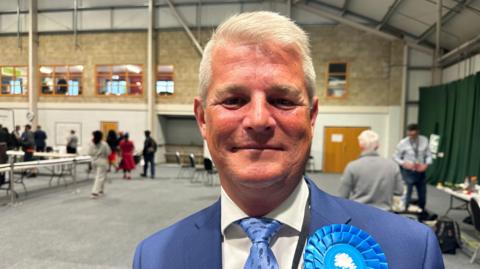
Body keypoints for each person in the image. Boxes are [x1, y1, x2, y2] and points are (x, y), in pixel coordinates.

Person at [133, 12, 443, 269]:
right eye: (234, 100)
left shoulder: (411, 252)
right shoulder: (154, 258)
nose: (258, 120)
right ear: (202, 118)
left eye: (282, 100)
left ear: (312, 116)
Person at [338, 130, 404, 211]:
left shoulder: (352, 166)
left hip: (359, 213)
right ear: (378, 146)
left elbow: (342, 196)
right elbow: (399, 191)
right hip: (385, 214)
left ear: (360, 145)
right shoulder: (393, 166)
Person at [394, 123, 432, 214]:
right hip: (408, 172)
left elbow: (429, 155)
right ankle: (404, 212)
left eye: (413, 134)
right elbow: (395, 156)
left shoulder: (424, 140)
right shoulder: (403, 142)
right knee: (407, 194)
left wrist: (426, 165)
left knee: (422, 195)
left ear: (418, 132)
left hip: (420, 172)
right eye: (409, 134)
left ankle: (421, 212)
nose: (411, 136)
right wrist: (404, 163)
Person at [88, 130, 111, 199]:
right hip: (102, 161)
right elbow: (109, 152)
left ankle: (101, 190)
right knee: (100, 177)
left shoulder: (91, 143)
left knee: (100, 176)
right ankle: (94, 192)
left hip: (94, 161)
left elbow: (89, 153)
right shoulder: (104, 144)